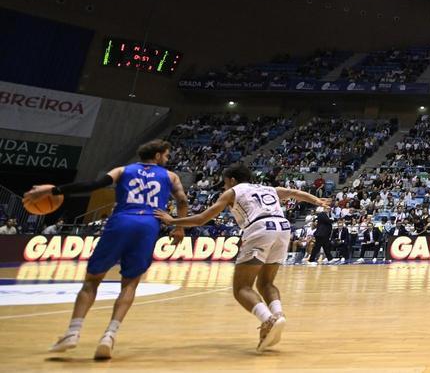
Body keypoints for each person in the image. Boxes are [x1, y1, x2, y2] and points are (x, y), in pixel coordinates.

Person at [23, 140, 187, 360]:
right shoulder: (171, 176)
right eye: (166, 156)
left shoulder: (122, 170)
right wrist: (179, 227)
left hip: (121, 221)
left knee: (92, 281)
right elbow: (183, 200)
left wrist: (54, 189)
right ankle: (109, 335)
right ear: (157, 156)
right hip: (148, 224)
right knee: (130, 283)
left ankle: (73, 332)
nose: (167, 160)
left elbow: (93, 185)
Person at [155, 163, 329, 351]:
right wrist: (317, 201)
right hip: (283, 229)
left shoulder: (232, 192)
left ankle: (268, 320)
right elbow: (294, 193)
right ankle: (278, 315)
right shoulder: (269, 188)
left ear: (232, 180)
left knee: (242, 288)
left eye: (224, 183)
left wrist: (173, 220)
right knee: (266, 283)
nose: (224, 187)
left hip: (260, 228)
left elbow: (202, 219)